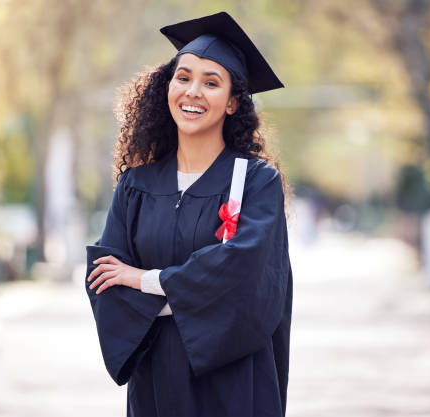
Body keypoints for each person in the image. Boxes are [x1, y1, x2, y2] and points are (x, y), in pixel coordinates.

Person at [85, 11, 293, 417]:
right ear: (168, 87)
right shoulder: (136, 185)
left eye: (211, 82)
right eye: (183, 77)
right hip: (156, 385)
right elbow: (106, 281)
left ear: (233, 102)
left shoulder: (254, 182)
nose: (193, 91)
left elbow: (248, 280)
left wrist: (147, 281)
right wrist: (191, 297)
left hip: (234, 382)